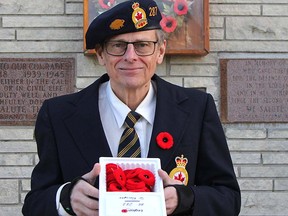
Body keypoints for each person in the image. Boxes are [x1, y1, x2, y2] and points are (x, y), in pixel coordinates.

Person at [22, 0, 241, 215]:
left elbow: (228, 198)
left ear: (161, 51)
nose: (130, 57)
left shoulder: (197, 108)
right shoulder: (58, 114)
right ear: (100, 54)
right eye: (117, 46)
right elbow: (34, 204)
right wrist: (66, 199)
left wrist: (186, 198)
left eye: (142, 45)